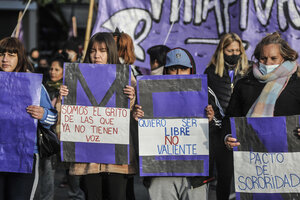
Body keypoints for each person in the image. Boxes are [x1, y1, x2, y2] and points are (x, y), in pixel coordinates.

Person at [60, 32, 136, 200]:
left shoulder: (126, 76)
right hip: (89, 158)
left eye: (102, 50)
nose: (96, 55)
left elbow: (136, 113)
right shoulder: (76, 76)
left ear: (111, 52)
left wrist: (132, 98)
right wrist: (64, 97)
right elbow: (68, 116)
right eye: (93, 50)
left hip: (117, 158)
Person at [223, 32, 300, 197]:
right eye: (263, 58)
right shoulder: (245, 84)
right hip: (252, 169)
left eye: (273, 58)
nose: (267, 63)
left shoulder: (297, 84)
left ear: (285, 58)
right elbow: (228, 120)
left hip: (288, 169)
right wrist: (228, 137)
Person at [133, 47, 209, 200]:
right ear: (166, 71)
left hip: (193, 175)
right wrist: (136, 118)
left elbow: (220, 130)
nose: (178, 73)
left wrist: (212, 120)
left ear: (191, 70)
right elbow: (140, 136)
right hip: (160, 172)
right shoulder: (149, 93)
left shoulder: (205, 92)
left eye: (183, 69)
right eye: (173, 69)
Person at [0, 37, 57, 200]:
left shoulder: (32, 84)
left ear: (20, 57)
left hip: (23, 155)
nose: (5, 59)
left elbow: (53, 117)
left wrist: (43, 114)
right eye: (2, 54)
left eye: (11, 54)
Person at [204, 33, 249, 200]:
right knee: (224, 176)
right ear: (222, 51)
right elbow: (207, 100)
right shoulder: (210, 73)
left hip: (244, 128)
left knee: (247, 176)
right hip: (220, 129)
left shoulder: (248, 71)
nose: (234, 54)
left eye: (238, 50)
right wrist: (215, 122)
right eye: (230, 51)